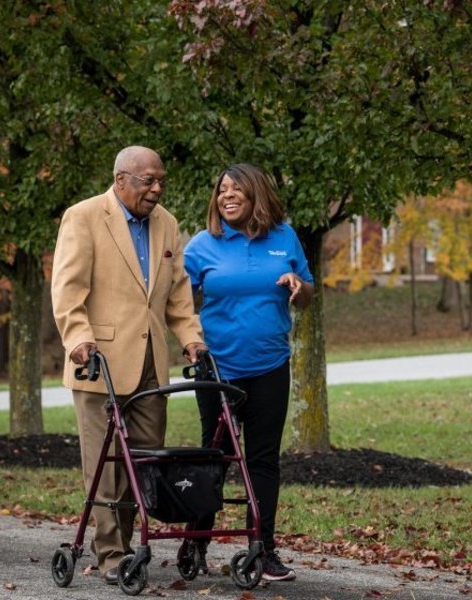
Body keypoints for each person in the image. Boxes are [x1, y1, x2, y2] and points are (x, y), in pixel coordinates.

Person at [51, 145, 206, 585]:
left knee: (141, 464)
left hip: (151, 364)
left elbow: (178, 295)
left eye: (161, 181)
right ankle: (111, 554)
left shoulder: (167, 224)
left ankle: (128, 546)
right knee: (106, 465)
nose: (156, 189)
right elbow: (67, 289)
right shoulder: (83, 216)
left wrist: (192, 340)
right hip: (99, 362)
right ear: (121, 179)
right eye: (147, 181)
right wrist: (79, 338)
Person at [184, 163, 313, 582]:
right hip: (218, 370)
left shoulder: (285, 238)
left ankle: (264, 549)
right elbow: (176, 305)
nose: (227, 195)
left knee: (262, 460)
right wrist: (190, 341)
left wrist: (299, 283)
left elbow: (308, 295)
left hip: (271, 367)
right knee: (215, 458)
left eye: (236, 188)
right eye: (222, 189)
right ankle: (197, 540)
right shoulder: (202, 246)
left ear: (256, 193)